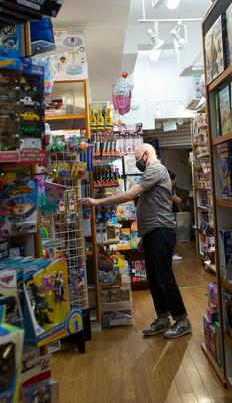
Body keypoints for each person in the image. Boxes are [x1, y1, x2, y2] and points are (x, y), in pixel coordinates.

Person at [80, 143, 191, 339]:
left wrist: (97, 202)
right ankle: (163, 318)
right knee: (155, 279)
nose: (137, 163)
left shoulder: (155, 169)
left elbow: (130, 195)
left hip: (161, 231)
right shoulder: (154, 172)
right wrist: (143, 235)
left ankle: (182, 320)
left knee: (164, 278)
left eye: (138, 158)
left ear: (146, 154)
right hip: (152, 232)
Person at [169, 172, 183, 261]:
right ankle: (172, 254)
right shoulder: (168, 188)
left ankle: (172, 253)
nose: (175, 182)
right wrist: (179, 200)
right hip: (171, 213)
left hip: (172, 212)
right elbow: (177, 200)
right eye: (174, 180)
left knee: (172, 233)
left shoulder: (170, 189)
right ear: (172, 179)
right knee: (172, 234)